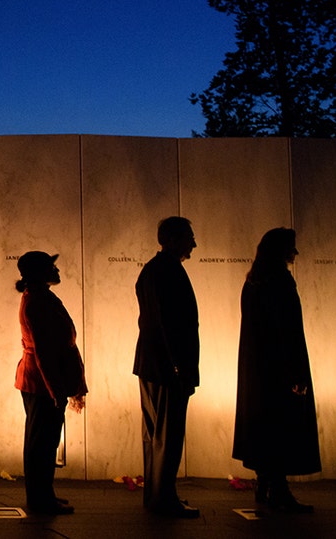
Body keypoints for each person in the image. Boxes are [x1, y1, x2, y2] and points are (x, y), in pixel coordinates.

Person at [233, 227, 320, 512]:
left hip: (257, 370)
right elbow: (289, 331)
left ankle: (265, 483)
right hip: (280, 369)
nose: (295, 253)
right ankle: (278, 490)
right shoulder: (280, 281)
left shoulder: (253, 282)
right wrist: (295, 374)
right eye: (291, 247)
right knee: (282, 426)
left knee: (263, 426)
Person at [133, 216, 200, 518]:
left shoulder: (152, 270)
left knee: (155, 435)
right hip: (166, 368)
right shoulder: (167, 272)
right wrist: (178, 367)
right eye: (189, 238)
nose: (194, 244)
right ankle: (164, 497)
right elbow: (169, 325)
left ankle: (158, 494)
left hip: (153, 365)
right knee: (168, 435)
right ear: (172, 240)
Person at [13, 251, 86, 515]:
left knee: (43, 442)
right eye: (51, 267)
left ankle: (44, 495)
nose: (57, 270)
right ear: (39, 273)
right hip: (40, 383)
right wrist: (56, 391)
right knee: (42, 443)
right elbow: (44, 351)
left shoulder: (40, 297)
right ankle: (41, 499)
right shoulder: (38, 302)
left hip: (40, 380)